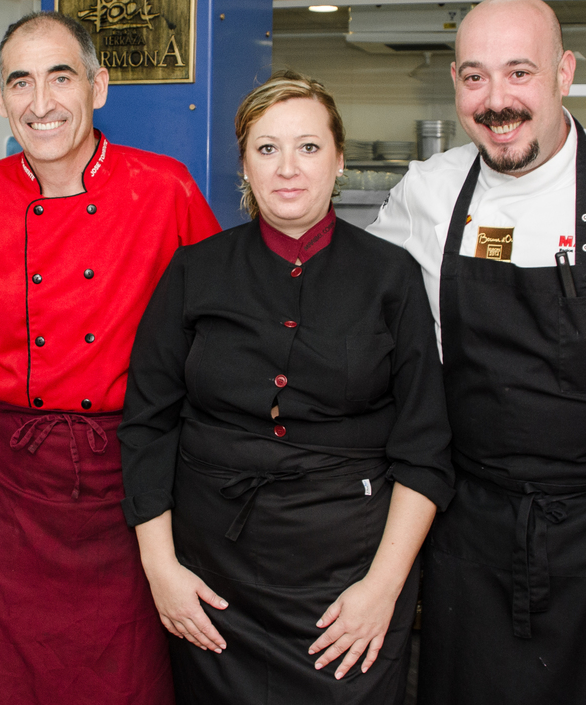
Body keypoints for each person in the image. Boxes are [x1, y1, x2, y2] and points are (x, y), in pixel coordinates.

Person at [370, 0, 586, 704]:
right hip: (470, 527)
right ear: (455, 82)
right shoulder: (430, 189)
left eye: (520, 72)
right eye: (475, 76)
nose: (497, 99)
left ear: (565, 73)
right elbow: (360, 307)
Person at [119, 71, 454, 704]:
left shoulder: (391, 278)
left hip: (347, 580)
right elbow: (147, 427)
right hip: (212, 581)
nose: (288, 168)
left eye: (308, 146)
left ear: (338, 160)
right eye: (267, 148)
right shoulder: (196, 271)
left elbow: (426, 451)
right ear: (244, 163)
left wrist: (382, 589)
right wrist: (161, 570)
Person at [0, 11, 220, 705]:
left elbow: (217, 334)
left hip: (127, 479)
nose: (41, 103)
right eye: (21, 83)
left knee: (125, 673)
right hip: (12, 480)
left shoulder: (164, 188)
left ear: (98, 86)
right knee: (12, 679)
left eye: (60, 78)